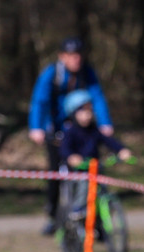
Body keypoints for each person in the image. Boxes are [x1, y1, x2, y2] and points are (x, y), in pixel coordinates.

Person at [28, 36, 114, 235]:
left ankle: (95, 218)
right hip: (55, 131)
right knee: (56, 174)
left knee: (92, 170)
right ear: (62, 57)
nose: (77, 60)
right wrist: (36, 128)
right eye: (72, 56)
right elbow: (39, 101)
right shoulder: (52, 74)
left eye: (79, 56)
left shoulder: (87, 73)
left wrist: (105, 123)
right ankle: (52, 215)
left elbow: (98, 98)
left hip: (79, 130)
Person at [59, 89, 132, 222]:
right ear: (73, 113)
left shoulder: (94, 130)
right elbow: (65, 149)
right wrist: (72, 157)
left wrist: (122, 150)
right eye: (82, 111)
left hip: (96, 168)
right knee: (84, 184)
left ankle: (103, 217)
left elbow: (109, 141)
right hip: (79, 171)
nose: (87, 115)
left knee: (102, 187)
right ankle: (78, 209)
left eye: (89, 110)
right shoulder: (71, 132)